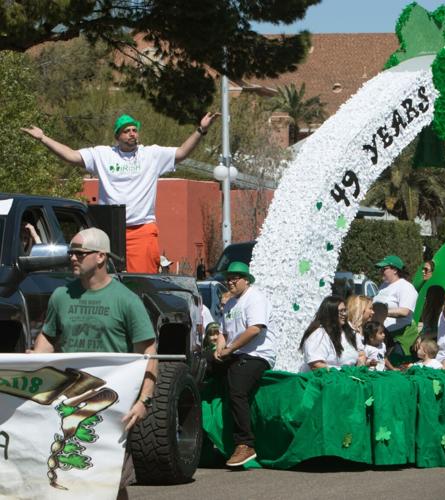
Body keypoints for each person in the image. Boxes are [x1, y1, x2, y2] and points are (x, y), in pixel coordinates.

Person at [30, 228, 157, 500]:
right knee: (68, 474)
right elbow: (48, 339)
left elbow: (148, 353)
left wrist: (143, 401)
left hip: (112, 405)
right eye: (71, 253)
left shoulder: (126, 300)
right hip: (66, 401)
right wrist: (30, 366)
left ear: (100, 257)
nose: (72, 258)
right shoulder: (61, 296)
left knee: (110, 481)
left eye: (79, 253)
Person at [21, 112, 220, 273]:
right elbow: (72, 156)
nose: (132, 133)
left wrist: (201, 130)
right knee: (103, 278)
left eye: (135, 130)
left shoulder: (152, 154)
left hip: (142, 229)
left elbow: (181, 153)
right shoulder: (103, 154)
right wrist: (43, 138)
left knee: (141, 281)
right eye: (127, 131)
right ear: (118, 136)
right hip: (108, 231)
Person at [214, 261, 277, 468]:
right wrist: (218, 350)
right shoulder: (231, 303)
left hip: (257, 354)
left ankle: (245, 443)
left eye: (235, 277)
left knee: (237, 386)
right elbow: (223, 333)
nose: (230, 281)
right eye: (228, 278)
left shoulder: (255, 298)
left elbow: (254, 330)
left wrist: (229, 350)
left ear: (246, 280)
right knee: (202, 366)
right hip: (236, 353)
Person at [299, 295, 360, 371]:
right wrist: (342, 374)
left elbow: (358, 357)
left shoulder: (347, 331)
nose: (344, 314)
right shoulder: (318, 334)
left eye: (345, 310)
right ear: (331, 313)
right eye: (341, 311)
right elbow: (316, 365)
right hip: (321, 380)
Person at [372, 254, 418, 350]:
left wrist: (381, 313)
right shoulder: (383, 286)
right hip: (381, 335)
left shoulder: (405, 286)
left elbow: (404, 312)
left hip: (397, 339)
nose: (381, 271)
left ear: (395, 270)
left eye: (384, 268)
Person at [346, 295, 373, 365]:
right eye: (370, 308)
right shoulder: (348, 329)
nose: (373, 312)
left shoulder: (362, 329)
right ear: (361, 309)